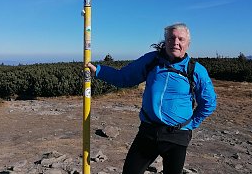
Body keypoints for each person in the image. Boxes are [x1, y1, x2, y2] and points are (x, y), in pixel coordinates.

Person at [87, 23, 217, 174]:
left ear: (188, 44)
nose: (175, 42)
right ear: (165, 41)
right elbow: (124, 77)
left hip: (177, 136)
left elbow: (209, 103)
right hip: (148, 131)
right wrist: (98, 71)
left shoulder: (196, 70)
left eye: (181, 39)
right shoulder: (151, 61)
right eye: (171, 38)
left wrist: (192, 123)